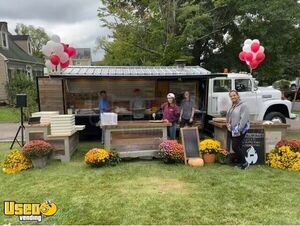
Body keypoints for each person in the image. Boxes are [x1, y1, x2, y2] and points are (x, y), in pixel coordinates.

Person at [226, 90, 250, 170]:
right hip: (232, 129)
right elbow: (229, 116)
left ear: (238, 95)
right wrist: (228, 124)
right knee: (238, 146)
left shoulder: (243, 105)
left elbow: (244, 119)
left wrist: (238, 129)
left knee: (235, 146)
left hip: (240, 130)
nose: (233, 97)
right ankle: (241, 163)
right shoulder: (233, 106)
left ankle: (245, 163)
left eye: (234, 95)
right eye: (231, 96)